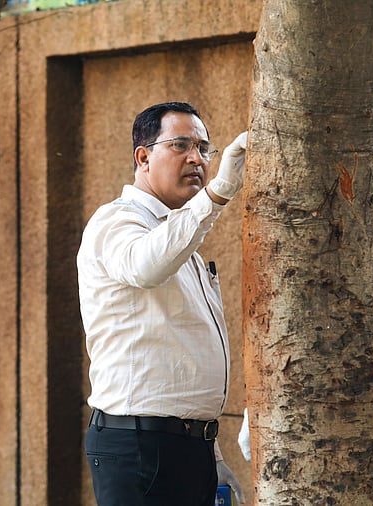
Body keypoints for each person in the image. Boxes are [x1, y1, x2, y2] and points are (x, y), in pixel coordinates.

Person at [77, 101, 247, 506]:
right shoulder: (115, 221)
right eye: (181, 145)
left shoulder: (176, 230)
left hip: (189, 445)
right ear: (143, 156)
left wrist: (212, 452)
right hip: (140, 445)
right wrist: (218, 193)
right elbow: (145, 266)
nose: (197, 159)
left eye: (205, 149)